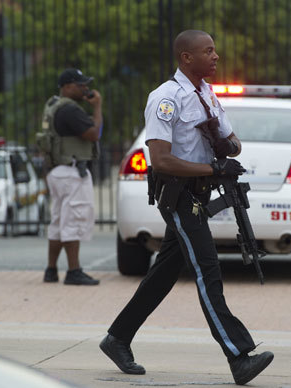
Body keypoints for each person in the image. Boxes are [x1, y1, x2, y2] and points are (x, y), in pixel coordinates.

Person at [99, 30, 273, 386]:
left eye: (214, 50)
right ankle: (239, 356)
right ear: (186, 57)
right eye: (207, 51)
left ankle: (117, 338)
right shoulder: (165, 99)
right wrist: (213, 167)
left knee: (163, 274)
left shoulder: (207, 94)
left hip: (199, 194)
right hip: (178, 196)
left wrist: (224, 144)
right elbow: (161, 160)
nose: (216, 56)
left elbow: (233, 143)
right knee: (208, 269)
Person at [40, 68, 102, 286]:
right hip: (71, 170)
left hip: (58, 170)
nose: (85, 88)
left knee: (58, 221)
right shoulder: (70, 110)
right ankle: (74, 271)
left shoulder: (53, 105)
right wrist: (97, 107)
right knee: (72, 220)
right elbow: (93, 134)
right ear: (67, 87)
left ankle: (51, 270)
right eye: (80, 84)